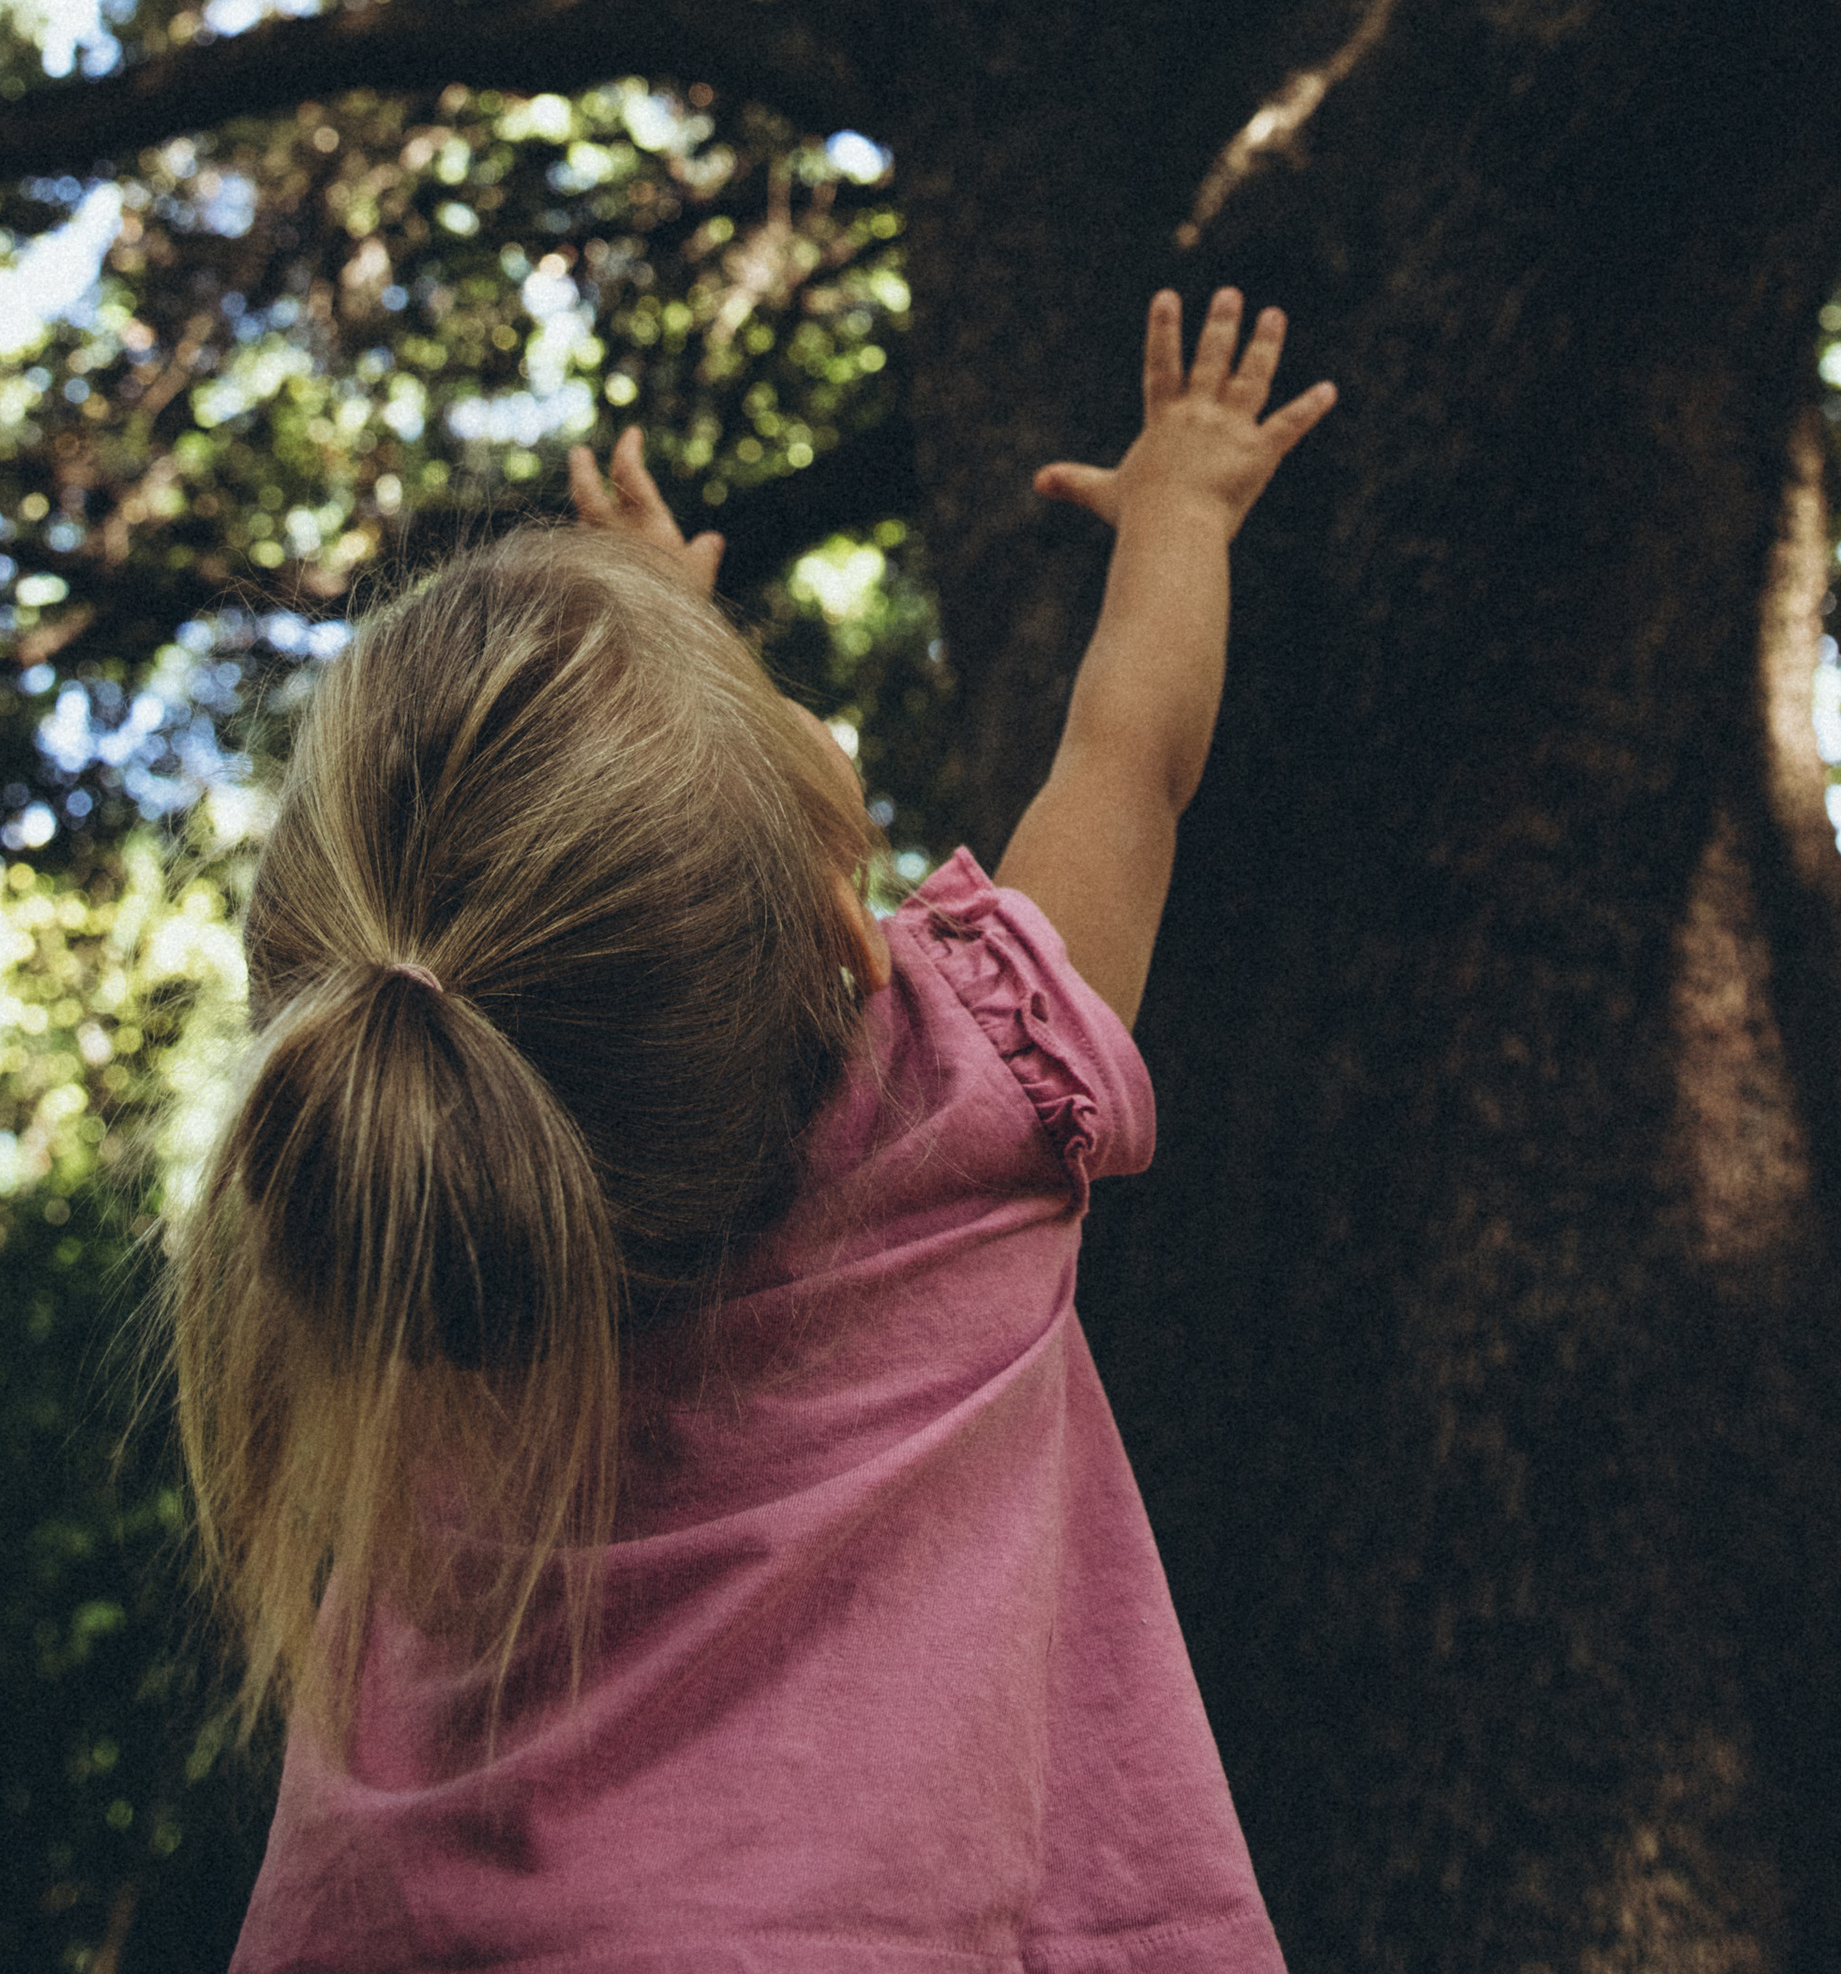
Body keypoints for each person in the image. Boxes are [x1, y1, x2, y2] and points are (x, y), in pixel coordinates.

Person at [185, 285, 1335, 1972]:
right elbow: (1131, 749)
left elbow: (575, 960)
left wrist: (642, 660)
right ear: (843, 925)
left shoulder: (419, 1248)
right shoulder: (973, 1112)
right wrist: (1183, 505)